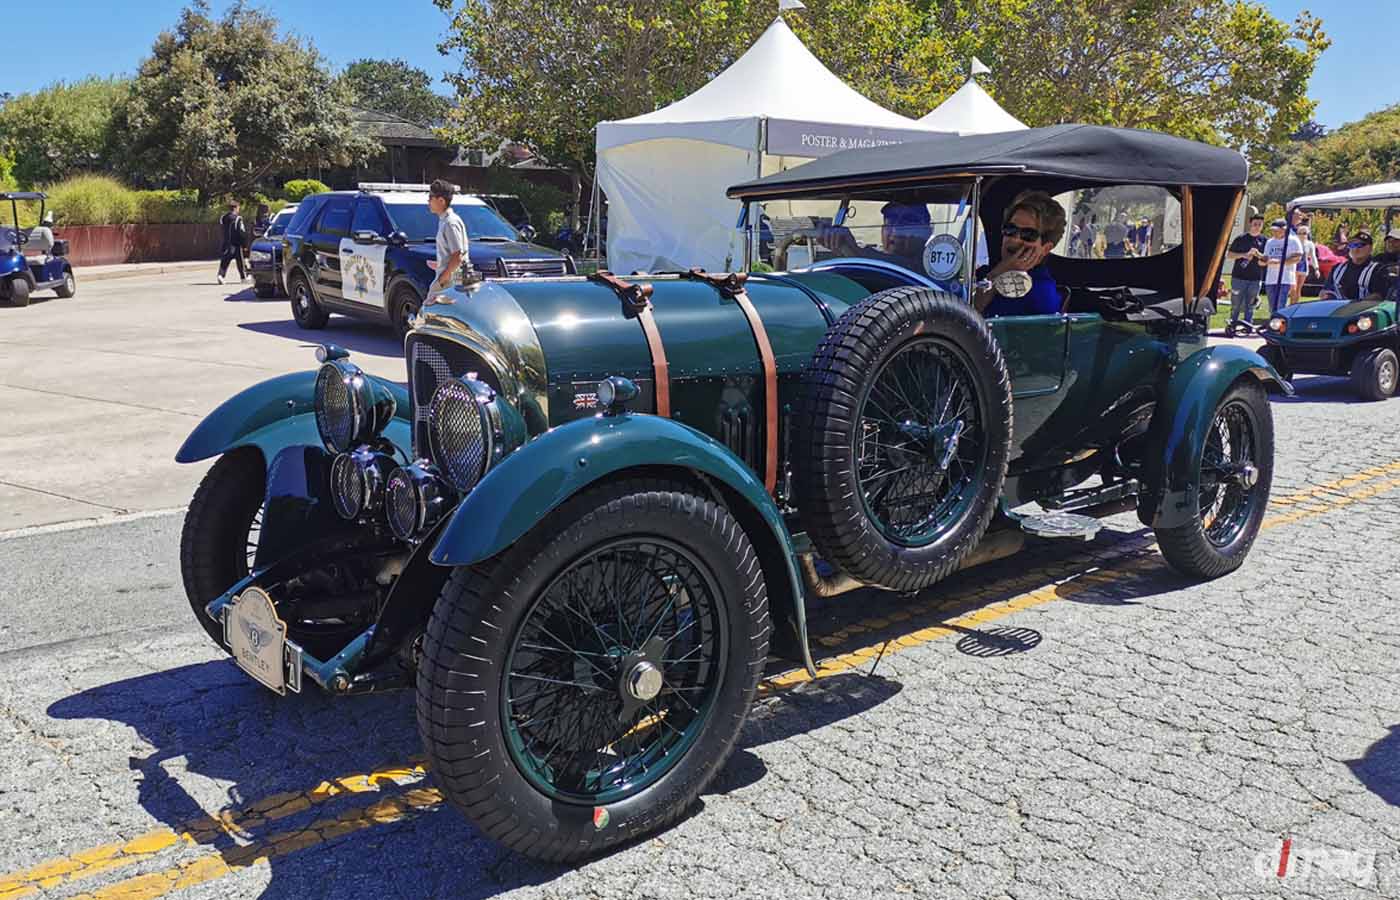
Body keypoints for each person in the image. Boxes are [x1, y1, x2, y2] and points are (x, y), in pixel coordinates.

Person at [973, 190, 1064, 317]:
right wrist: (997, 274)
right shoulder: (982, 274)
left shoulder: (1043, 293)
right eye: (1010, 229)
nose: (1015, 240)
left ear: (1045, 248)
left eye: (1028, 235)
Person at [426, 179, 468, 303]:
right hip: (450, 279)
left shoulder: (450, 222)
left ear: (441, 201)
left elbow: (457, 255)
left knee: (429, 309)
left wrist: (442, 280)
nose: (428, 201)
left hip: (451, 282)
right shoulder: (444, 221)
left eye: (431, 197)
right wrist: (440, 263)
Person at [1320, 231, 1393, 301]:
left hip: (1366, 309)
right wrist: (1326, 295)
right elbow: (1325, 290)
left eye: (1360, 245)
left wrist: (1354, 306)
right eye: (1352, 245)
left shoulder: (1378, 270)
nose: (1356, 248)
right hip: (1338, 307)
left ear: (1370, 248)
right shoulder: (1337, 268)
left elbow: (1378, 296)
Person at [1225, 213, 1267, 330]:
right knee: (1236, 304)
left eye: (1260, 224)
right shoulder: (1241, 239)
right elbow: (1229, 255)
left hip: (1255, 278)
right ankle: (1232, 325)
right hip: (1238, 277)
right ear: (1250, 224)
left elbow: (1267, 259)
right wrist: (1244, 255)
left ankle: (1248, 326)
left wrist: (1258, 255)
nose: (1257, 227)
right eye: (1255, 224)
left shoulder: (1265, 241)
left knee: (1251, 304)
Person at [1262, 218, 1303, 316]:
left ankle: (1280, 323)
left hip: (1285, 278)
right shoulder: (1270, 242)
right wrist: (1262, 260)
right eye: (1273, 230)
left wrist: (1279, 262)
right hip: (1270, 279)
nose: (1274, 232)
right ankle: (1274, 322)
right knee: (1272, 307)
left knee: (1281, 306)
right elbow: (1265, 258)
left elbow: (1298, 257)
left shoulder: (1293, 240)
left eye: (1276, 230)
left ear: (1284, 229)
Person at [216, 201, 247, 285]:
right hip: (237, 243)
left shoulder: (223, 218)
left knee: (225, 260)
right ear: (236, 208)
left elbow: (222, 230)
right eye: (238, 208)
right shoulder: (238, 218)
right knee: (240, 261)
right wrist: (244, 244)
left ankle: (221, 275)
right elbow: (241, 232)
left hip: (227, 243)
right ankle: (243, 277)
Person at [1291, 223, 1320, 302]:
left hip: (1303, 267)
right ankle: (1291, 305)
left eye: (1304, 233)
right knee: (1293, 288)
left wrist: (1316, 269)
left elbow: (1313, 257)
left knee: (1298, 288)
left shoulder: (1310, 244)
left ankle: (1295, 305)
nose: (1302, 235)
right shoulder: (1294, 242)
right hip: (1294, 266)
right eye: (1300, 233)